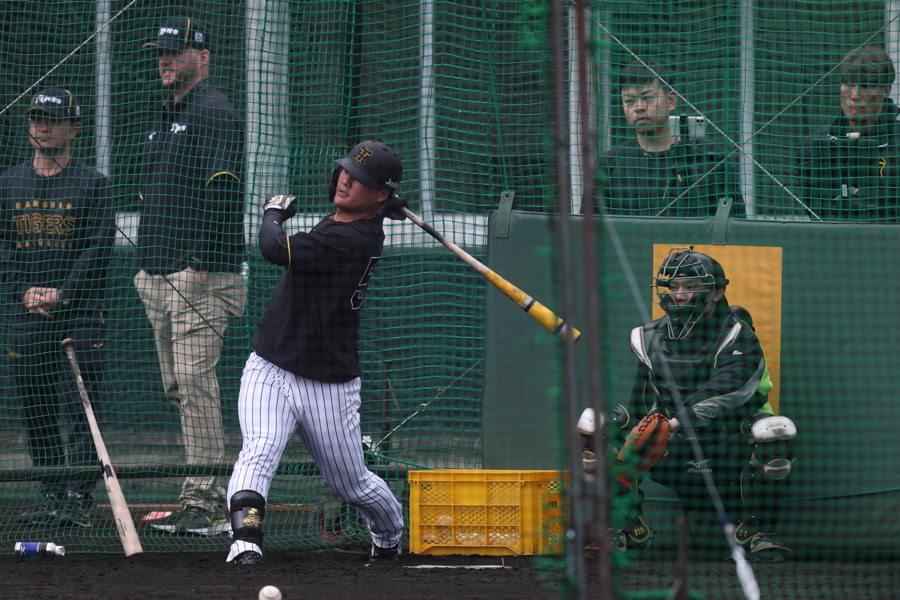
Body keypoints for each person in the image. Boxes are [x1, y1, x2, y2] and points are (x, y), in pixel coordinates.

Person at [224, 140, 407, 565]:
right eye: (346, 171)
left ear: (379, 193)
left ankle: (389, 534)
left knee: (352, 484)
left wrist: (273, 212)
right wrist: (384, 206)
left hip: (328, 383)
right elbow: (365, 211)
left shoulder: (350, 238)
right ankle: (245, 543)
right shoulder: (357, 221)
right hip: (270, 366)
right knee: (259, 449)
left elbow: (273, 247)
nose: (345, 180)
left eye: (359, 179)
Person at [578, 247, 796, 562]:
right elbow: (641, 400)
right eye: (674, 287)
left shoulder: (739, 334)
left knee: (775, 429)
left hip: (728, 444)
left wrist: (675, 422)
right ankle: (628, 530)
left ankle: (757, 533)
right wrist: (635, 435)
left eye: (691, 287)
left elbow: (728, 385)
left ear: (716, 292)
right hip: (669, 449)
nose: (679, 295)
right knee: (594, 423)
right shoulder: (648, 337)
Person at [133, 17, 247, 536]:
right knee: (179, 386)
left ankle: (206, 501)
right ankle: (202, 491)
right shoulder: (165, 114)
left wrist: (201, 262)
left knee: (195, 386)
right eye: (160, 52)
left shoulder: (214, 109)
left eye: (175, 52)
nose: (164, 59)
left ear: (202, 57)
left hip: (199, 276)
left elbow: (224, 188)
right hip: (159, 274)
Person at [0, 88, 116, 528]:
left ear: (74, 127)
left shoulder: (94, 184)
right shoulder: (8, 183)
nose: (42, 127)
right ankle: (51, 493)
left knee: (81, 407)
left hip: (80, 313)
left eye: (52, 119)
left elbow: (97, 249)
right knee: (36, 403)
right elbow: (2, 246)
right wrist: (23, 291)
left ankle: (78, 497)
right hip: (27, 313)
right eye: (36, 118)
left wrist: (63, 293)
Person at [585, 61, 744, 217]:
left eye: (647, 98)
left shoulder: (709, 157)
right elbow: (589, 227)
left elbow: (735, 223)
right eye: (629, 101)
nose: (638, 107)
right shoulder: (610, 163)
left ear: (671, 100)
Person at [798, 45, 900, 222]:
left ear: (886, 90)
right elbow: (814, 209)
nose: (855, 95)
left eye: (866, 85)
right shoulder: (813, 145)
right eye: (849, 84)